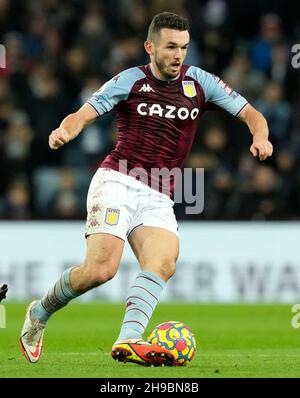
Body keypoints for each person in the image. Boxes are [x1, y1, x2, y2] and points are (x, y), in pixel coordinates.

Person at [20, 12, 273, 366]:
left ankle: (129, 339)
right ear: (150, 47)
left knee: (163, 262)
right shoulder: (129, 81)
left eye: (184, 48)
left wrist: (260, 135)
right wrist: (66, 131)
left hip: (158, 193)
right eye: (170, 47)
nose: (178, 55)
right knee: (100, 270)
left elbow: (252, 114)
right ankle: (39, 313)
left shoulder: (199, 82)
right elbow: (82, 114)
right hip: (117, 180)